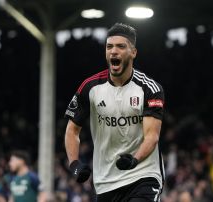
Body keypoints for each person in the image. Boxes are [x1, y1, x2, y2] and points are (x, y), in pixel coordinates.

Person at [65, 23, 165, 202]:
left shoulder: (150, 88)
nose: (113, 51)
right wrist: (74, 164)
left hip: (142, 174)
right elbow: (72, 130)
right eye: (109, 46)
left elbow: (152, 136)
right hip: (106, 181)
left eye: (120, 46)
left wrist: (134, 160)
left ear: (133, 52)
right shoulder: (90, 87)